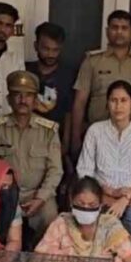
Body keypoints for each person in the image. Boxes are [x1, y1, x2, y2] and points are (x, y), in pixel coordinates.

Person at [77, 80, 131, 262]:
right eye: (113, 100)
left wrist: (125, 198)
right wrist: (105, 193)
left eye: (123, 100)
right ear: (107, 103)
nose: (118, 106)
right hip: (100, 196)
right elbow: (84, 170)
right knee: (91, 228)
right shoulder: (95, 131)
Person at [0, 71, 63, 250]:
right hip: (6, 194)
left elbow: (55, 170)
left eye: (28, 95)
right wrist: (8, 196)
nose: (23, 100)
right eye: (17, 94)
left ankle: (38, 260)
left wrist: (40, 198)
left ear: (35, 100)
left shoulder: (48, 130)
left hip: (38, 194)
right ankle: (4, 260)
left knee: (50, 218)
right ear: (8, 99)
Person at [35, 177, 131, 262]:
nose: (85, 208)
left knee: (117, 261)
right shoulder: (62, 223)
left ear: (100, 204)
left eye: (92, 205)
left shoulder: (110, 226)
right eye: (80, 204)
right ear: (71, 201)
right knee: (51, 256)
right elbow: (37, 259)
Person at [71, 10, 131, 163]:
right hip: (97, 138)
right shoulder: (92, 61)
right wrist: (76, 138)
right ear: (107, 31)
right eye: (115, 27)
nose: (119, 32)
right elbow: (80, 102)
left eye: (124, 28)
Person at [26, 22, 77, 207]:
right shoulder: (26, 71)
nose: (50, 54)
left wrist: (66, 144)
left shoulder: (68, 74)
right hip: (28, 140)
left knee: (53, 189)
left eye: (55, 50)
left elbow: (70, 111)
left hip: (55, 142)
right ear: (36, 46)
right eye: (45, 48)